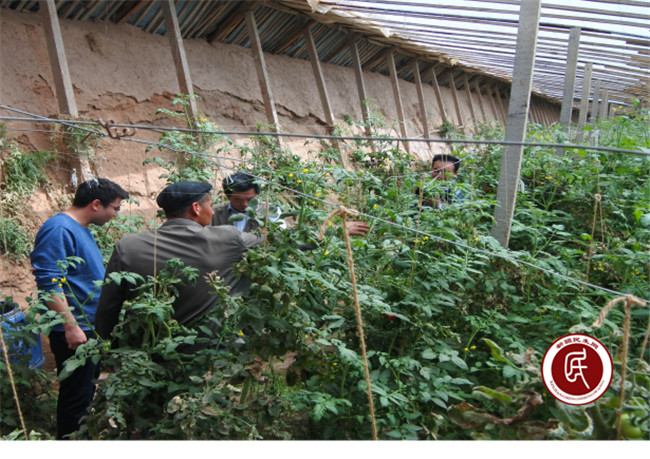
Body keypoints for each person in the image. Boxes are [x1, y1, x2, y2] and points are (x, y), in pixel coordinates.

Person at [95, 182, 264, 341]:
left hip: (147, 349)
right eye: (210, 206)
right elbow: (266, 241)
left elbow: (107, 308)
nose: (213, 212)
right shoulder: (227, 238)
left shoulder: (128, 246)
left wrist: (108, 346)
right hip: (208, 349)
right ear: (196, 208)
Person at [30, 177, 129, 439]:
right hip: (76, 331)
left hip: (87, 327)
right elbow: (50, 282)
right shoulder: (59, 229)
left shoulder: (78, 228)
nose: (116, 214)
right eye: (115, 208)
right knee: (76, 398)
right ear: (96, 204)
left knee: (84, 394)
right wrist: (71, 326)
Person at [213, 171, 370, 236]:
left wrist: (332, 230)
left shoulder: (269, 211)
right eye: (238, 200)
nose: (245, 205)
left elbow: (287, 237)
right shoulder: (215, 214)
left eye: (250, 199)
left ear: (257, 195)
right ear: (228, 196)